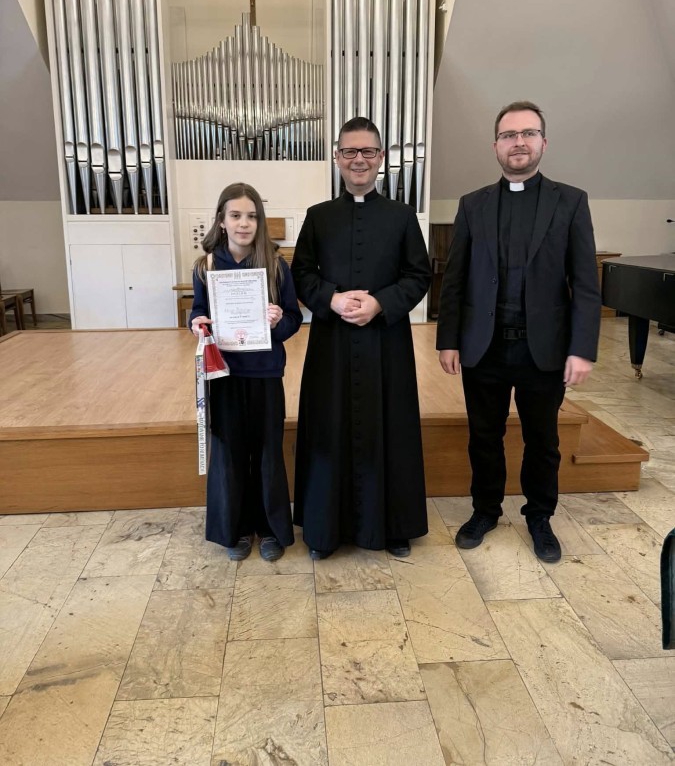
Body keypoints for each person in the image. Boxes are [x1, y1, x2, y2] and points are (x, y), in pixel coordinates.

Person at [436, 101, 601, 563]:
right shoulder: (472, 204)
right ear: (496, 146)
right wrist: (448, 339)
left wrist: (582, 348)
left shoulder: (571, 201)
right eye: (509, 135)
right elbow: (455, 278)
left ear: (543, 142)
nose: (519, 142)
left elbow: (585, 282)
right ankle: (485, 510)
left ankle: (540, 516)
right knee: (483, 436)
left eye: (528, 133)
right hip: (483, 345)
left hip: (542, 348)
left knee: (543, 441)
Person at [291, 116, 432, 559]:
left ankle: (393, 526)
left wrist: (380, 303)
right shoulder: (318, 217)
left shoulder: (402, 216)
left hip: (385, 344)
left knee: (391, 427)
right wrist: (331, 299)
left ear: (381, 158)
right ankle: (324, 530)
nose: (359, 160)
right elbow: (301, 273)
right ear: (337, 157)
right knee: (329, 427)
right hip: (331, 344)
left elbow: (419, 274)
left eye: (367, 151)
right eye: (350, 151)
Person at [190, 182, 302, 562]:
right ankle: (235, 528)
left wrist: (278, 321)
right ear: (221, 220)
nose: (244, 223)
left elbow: (294, 319)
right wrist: (196, 323)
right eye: (236, 215)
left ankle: (270, 528)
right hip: (224, 374)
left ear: (260, 221)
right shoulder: (205, 266)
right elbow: (198, 311)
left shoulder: (276, 265)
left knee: (268, 452)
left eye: (252, 216)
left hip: (265, 373)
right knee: (229, 453)